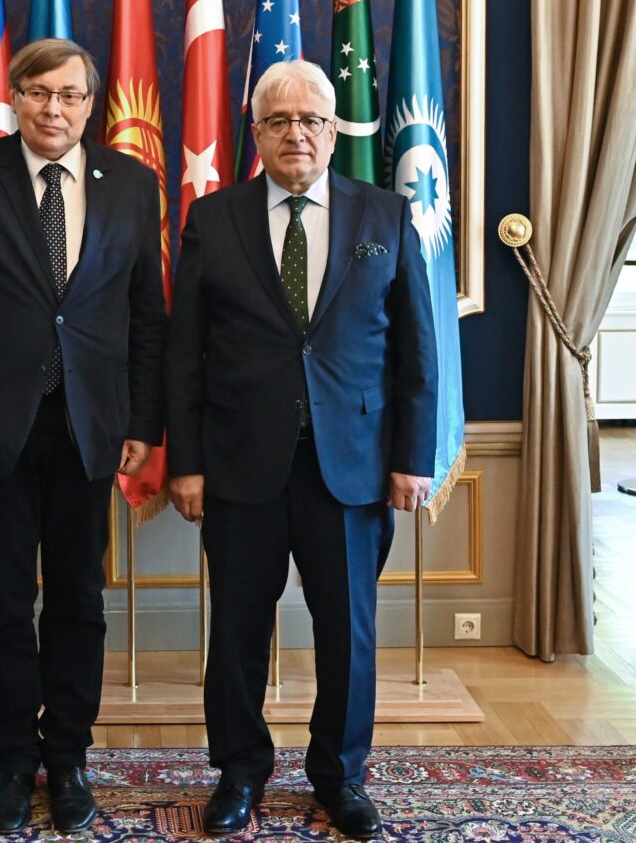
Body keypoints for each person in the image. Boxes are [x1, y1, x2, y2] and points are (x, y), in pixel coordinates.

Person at [166, 60, 438, 840]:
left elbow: (417, 353)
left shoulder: (385, 215)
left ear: (332, 130)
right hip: (239, 463)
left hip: (351, 466)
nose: (296, 134)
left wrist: (413, 458)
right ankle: (239, 772)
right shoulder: (213, 219)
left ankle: (340, 776)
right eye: (279, 121)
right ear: (256, 133)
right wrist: (186, 463)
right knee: (237, 632)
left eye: (311, 120)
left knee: (347, 633)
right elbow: (185, 355)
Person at [0, 38, 166, 833]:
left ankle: (69, 759)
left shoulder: (133, 185)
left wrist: (142, 422)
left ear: (91, 104)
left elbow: (146, 317)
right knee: (3, 602)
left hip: (91, 427)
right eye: (40, 93)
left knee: (80, 599)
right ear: (15, 98)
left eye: (71, 95)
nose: (55, 109)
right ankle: (14, 763)